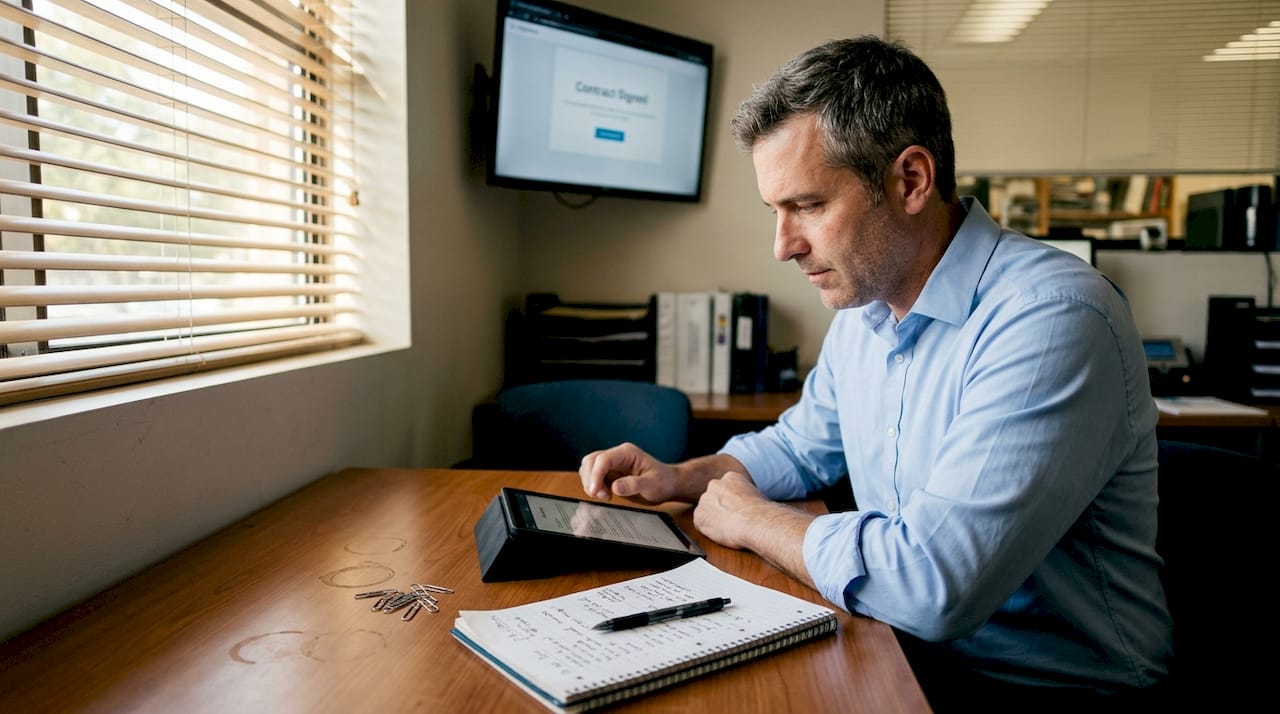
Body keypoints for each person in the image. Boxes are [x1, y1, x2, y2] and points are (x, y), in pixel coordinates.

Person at [579, 36, 1172, 711]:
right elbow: (800, 447)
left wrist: (751, 520)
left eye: (806, 206)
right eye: (775, 212)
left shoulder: (1052, 318)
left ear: (911, 181)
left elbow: (932, 583)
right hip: (901, 653)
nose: (783, 246)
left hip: (1047, 690)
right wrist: (688, 476)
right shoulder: (866, 311)